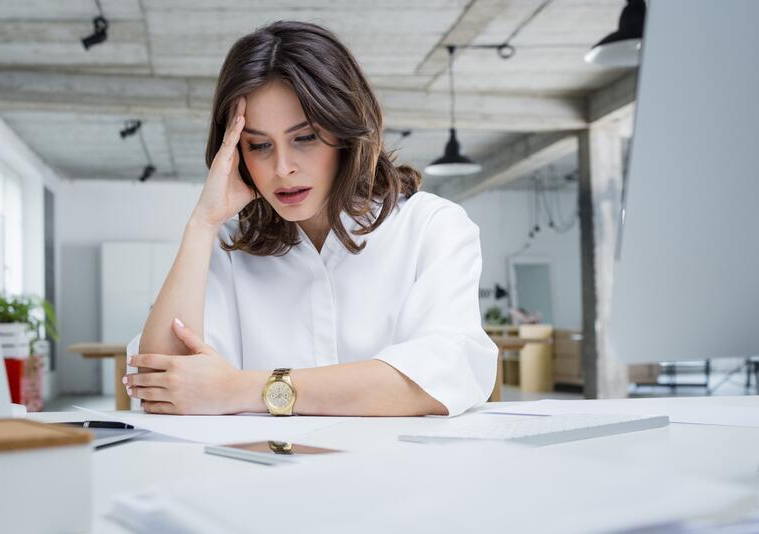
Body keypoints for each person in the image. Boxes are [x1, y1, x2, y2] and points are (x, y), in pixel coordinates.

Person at [125, 20, 497, 417]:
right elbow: (160, 387)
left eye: (305, 138)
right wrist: (203, 221)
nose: (283, 167)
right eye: (259, 145)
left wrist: (239, 389)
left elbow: (437, 378)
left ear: (345, 131)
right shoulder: (228, 245)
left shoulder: (431, 227)